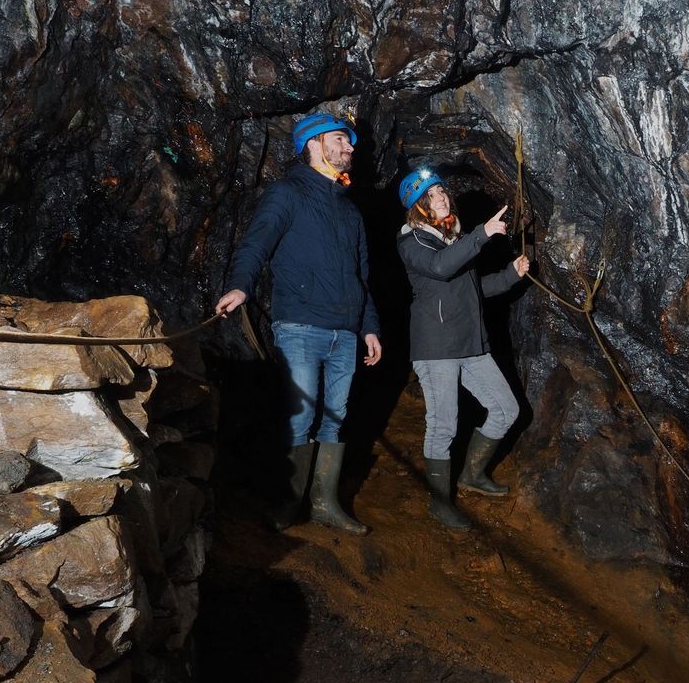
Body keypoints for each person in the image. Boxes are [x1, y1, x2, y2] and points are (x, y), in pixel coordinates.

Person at [215, 112, 382, 535]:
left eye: (349, 142)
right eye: (342, 139)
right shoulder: (286, 194)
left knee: (336, 417)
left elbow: (361, 277)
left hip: (344, 331)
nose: (350, 147)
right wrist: (240, 287)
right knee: (299, 416)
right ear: (314, 143)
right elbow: (257, 244)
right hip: (301, 325)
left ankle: (325, 503)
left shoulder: (350, 212)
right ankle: (288, 502)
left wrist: (369, 327)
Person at [396, 169, 529, 529]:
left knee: (506, 408)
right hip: (436, 347)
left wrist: (511, 275)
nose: (442, 197)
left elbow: (473, 289)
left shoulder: (452, 240)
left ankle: (472, 473)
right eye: (432, 194)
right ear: (418, 206)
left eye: (442, 191)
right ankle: (439, 503)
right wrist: (482, 234)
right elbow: (440, 269)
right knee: (443, 426)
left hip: (471, 343)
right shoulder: (412, 243)